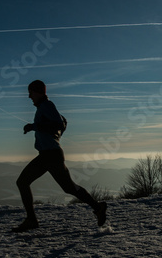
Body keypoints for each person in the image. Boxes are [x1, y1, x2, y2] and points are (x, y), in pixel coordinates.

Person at [12, 80, 107, 232]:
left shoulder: (47, 106)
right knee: (69, 188)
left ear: (38, 92)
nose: (29, 96)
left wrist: (33, 126)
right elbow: (59, 125)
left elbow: (57, 124)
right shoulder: (44, 107)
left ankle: (31, 220)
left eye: (31, 93)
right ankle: (98, 207)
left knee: (23, 182)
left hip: (50, 155)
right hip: (49, 155)